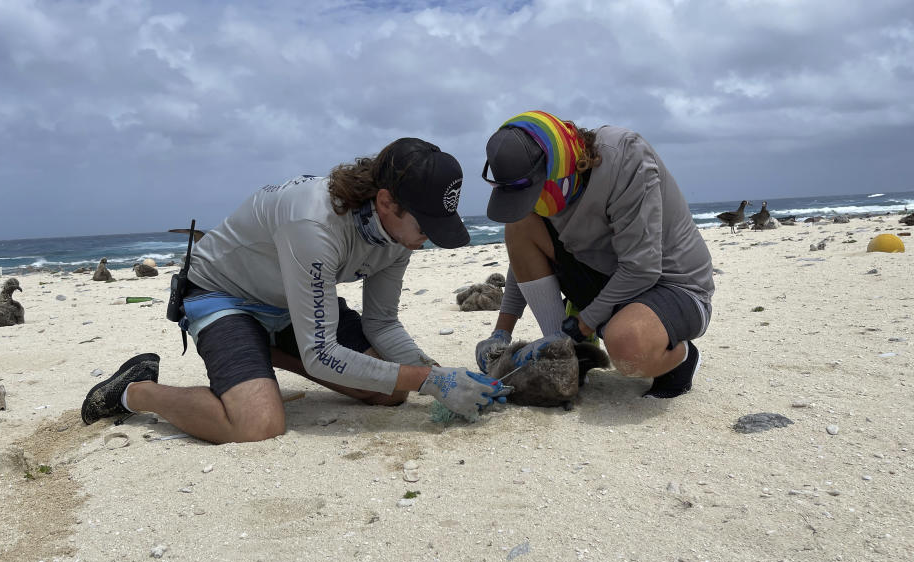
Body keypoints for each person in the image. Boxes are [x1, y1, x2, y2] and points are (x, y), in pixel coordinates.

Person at [81, 138, 506, 442]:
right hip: (224, 296)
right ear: (385, 202)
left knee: (392, 391)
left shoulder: (397, 236)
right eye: (425, 226)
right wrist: (429, 380)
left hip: (293, 301)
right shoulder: (314, 225)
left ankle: (266, 354)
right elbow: (323, 355)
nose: (427, 238)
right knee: (256, 426)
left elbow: (382, 321)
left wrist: (435, 371)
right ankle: (132, 390)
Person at [474, 111, 714, 398]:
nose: (531, 202)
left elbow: (642, 269)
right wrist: (501, 333)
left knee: (627, 346)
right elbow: (523, 254)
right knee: (520, 223)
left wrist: (579, 325)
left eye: (532, 195)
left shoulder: (626, 158)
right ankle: (567, 359)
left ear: (559, 166)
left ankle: (683, 358)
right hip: (606, 278)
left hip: (672, 284)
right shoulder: (546, 186)